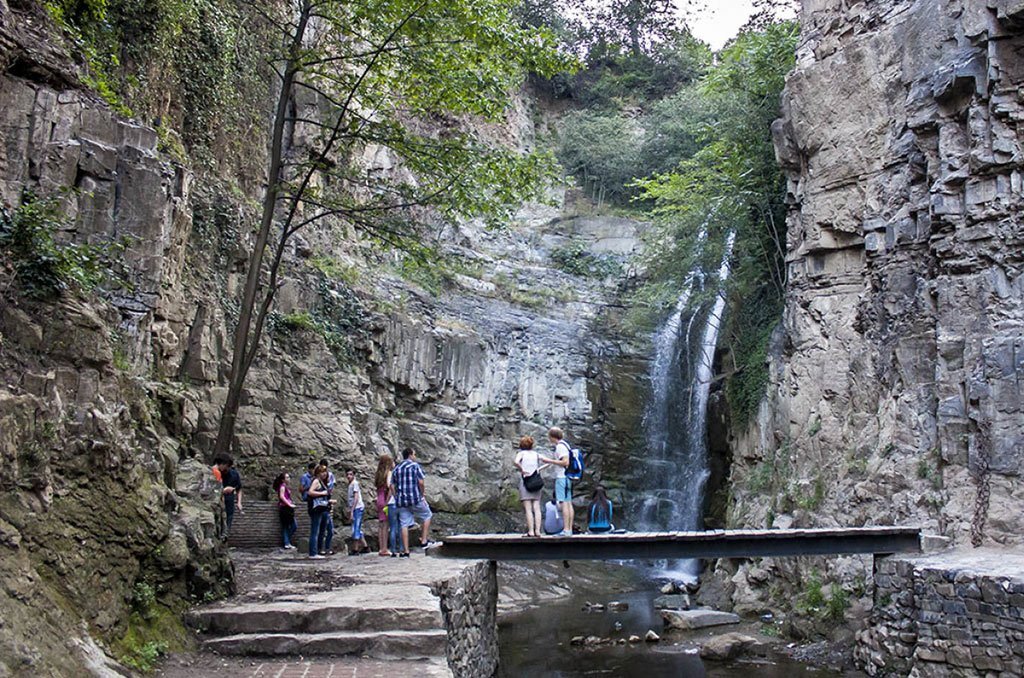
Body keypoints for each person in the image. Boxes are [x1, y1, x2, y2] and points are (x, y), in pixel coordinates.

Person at [391, 448, 433, 557]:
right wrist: (422, 494)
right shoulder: (415, 466)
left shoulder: (397, 468)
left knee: (404, 524)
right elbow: (421, 482)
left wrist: (396, 496)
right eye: (414, 454)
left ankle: (406, 551)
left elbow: (392, 485)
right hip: (415, 498)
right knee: (427, 515)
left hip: (402, 501)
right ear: (410, 455)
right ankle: (424, 540)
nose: (415, 456)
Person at [541, 427, 573, 537]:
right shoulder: (565, 445)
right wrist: (541, 468)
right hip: (567, 477)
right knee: (568, 502)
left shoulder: (560, 447)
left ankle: (566, 530)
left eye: (549, 437)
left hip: (562, 478)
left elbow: (565, 462)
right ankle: (569, 529)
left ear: (552, 437)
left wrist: (548, 460)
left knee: (564, 503)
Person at [513, 436, 544, 537]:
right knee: (537, 507)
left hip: (526, 481)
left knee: (528, 508)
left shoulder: (521, 453)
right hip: (536, 481)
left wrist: (522, 469)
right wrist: (539, 469)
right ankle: (538, 531)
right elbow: (548, 461)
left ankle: (531, 531)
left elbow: (516, 462)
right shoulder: (536, 454)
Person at [306, 464, 335, 559]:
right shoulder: (316, 481)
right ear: (318, 473)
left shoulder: (322, 482)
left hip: (322, 508)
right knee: (315, 531)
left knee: (320, 530)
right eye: (322, 472)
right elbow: (310, 492)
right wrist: (322, 493)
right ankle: (313, 553)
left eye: (325, 471)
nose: (324, 474)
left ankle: (317, 550)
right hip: (316, 509)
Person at [374, 455, 398, 557]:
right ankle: (384, 549)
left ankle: (381, 547)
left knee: (380, 524)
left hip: (379, 499)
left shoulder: (378, 475)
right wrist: (388, 501)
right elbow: (389, 487)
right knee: (386, 525)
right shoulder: (389, 474)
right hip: (384, 499)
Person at [215, 455, 243, 537]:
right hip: (218, 501)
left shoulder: (234, 474)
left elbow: (239, 488)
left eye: (228, 467)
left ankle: (226, 535)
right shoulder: (216, 473)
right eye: (226, 466)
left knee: (229, 518)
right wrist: (224, 490)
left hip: (229, 500)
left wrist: (239, 502)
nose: (226, 469)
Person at [346, 469, 368, 555]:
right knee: (357, 527)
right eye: (347, 474)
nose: (348, 476)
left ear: (354, 475)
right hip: (354, 508)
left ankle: (355, 549)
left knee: (355, 527)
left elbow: (356, 497)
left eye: (350, 474)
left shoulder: (355, 484)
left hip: (357, 508)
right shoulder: (350, 485)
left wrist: (352, 510)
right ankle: (365, 547)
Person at [273, 472, 298, 549]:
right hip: (284, 508)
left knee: (290, 526)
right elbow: (282, 496)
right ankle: (286, 542)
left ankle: (286, 541)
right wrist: (289, 504)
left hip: (287, 508)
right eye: (287, 477)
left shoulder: (285, 487)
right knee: (288, 526)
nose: (288, 479)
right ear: (283, 480)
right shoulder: (282, 487)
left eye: (288, 477)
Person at [317, 458, 337, 556]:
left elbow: (331, 489)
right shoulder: (318, 483)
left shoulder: (328, 480)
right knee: (323, 529)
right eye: (322, 472)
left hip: (327, 506)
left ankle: (326, 548)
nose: (325, 474)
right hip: (322, 507)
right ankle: (320, 548)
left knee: (329, 530)